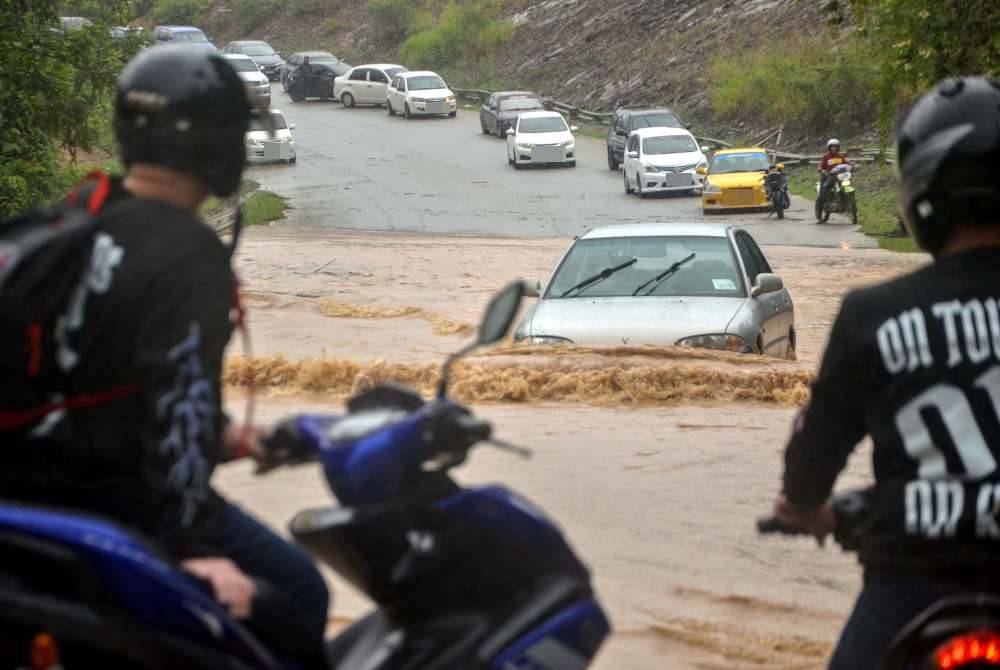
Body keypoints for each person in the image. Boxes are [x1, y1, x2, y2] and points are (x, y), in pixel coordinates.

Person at [0, 46, 329, 665]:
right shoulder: (185, 254)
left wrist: (230, 438)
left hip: (34, 489)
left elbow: (97, 375)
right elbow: (178, 398)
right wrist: (193, 547)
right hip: (115, 501)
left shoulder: (78, 218)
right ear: (217, 142)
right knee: (298, 588)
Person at [774, 76, 1000, 669]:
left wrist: (802, 506)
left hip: (913, 586)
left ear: (922, 193)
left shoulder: (871, 316)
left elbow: (814, 451)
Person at [816, 138, 851, 214]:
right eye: (832, 146)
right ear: (829, 147)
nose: (834, 148)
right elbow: (820, 166)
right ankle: (819, 210)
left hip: (840, 176)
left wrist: (854, 165)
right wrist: (822, 170)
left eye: (835, 146)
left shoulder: (840, 156)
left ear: (838, 147)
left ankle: (849, 201)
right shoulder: (826, 157)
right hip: (828, 177)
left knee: (848, 185)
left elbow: (847, 162)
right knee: (823, 193)